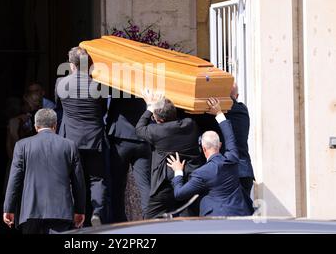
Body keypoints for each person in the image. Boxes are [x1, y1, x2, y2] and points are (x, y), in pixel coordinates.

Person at [3, 108, 86, 234]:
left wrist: (9, 208)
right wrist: (80, 211)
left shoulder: (22, 146)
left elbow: (14, 179)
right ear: (55, 125)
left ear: (36, 126)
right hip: (61, 212)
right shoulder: (69, 146)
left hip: (30, 212)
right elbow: (78, 183)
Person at [167, 97, 254, 216]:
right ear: (220, 145)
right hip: (239, 214)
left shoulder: (201, 173)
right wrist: (219, 113)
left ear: (203, 148)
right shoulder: (232, 159)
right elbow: (230, 138)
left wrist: (178, 172)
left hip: (216, 221)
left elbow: (179, 194)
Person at [55, 46, 108, 226]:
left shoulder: (61, 84)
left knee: (71, 178)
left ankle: (73, 213)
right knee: (97, 179)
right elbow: (103, 110)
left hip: (70, 139)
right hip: (94, 139)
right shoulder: (98, 85)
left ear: (71, 65)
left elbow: (59, 107)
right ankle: (97, 213)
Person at [135, 89, 205, 219]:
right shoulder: (191, 125)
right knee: (188, 220)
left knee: (149, 220)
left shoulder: (156, 131)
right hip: (188, 182)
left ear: (160, 120)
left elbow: (139, 129)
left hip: (164, 186)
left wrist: (150, 107)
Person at [106, 92, 151, 222]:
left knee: (117, 185)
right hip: (142, 138)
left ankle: (119, 222)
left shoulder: (119, 81)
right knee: (144, 184)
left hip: (120, 137)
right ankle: (150, 221)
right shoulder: (145, 81)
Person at [225, 83, 255, 196]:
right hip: (244, 171)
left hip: (231, 173)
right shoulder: (242, 110)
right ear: (237, 96)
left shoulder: (222, 113)